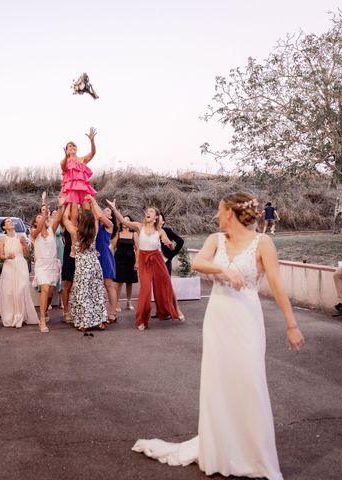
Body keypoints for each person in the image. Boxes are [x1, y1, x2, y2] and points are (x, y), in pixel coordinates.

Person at [132, 191, 304, 480]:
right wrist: (224, 270)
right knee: (219, 382)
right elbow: (199, 263)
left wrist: (291, 325)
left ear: (231, 213)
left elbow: (275, 284)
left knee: (249, 380)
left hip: (247, 319)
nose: (215, 215)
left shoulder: (263, 243)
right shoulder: (215, 240)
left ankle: (254, 455)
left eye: (219, 211)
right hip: (219, 317)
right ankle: (221, 450)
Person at [106, 200, 183, 330]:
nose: (148, 213)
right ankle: (142, 320)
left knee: (167, 285)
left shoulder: (160, 231)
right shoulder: (138, 226)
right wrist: (114, 209)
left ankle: (177, 310)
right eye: (147, 211)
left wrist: (169, 244)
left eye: (151, 211)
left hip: (157, 260)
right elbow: (123, 222)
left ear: (156, 217)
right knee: (145, 290)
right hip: (144, 260)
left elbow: (170, 246)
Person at [63, 203, 108, 332]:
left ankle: (84, 322)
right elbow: (98, 216)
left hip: (83, 267)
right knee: (97, 292)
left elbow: (65, 219)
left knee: (82, 294)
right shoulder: (94, 231)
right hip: (94, 265)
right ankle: (100, 321)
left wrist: (68, 203)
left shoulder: (76, 233)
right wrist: (92, 201)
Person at [0, 218, 39, 328]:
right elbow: (0, 256)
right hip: (8, 266)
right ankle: (10, 316)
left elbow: (26, 255)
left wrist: (24, 244)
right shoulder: (2, 239)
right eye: (8, 222)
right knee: (9, 292)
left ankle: (21, 316)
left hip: (21, 264)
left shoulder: (20, 237)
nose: (11, 223)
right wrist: (7, 257)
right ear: (4, 227)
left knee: (21, 289)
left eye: (11, 221)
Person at [30, 199, 65, 333]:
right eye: (38, 217)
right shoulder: (33, 233)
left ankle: (44, 312)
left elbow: (59, 218)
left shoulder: (52, 229)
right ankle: (42, 321)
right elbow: (39, 228)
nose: (41, 218)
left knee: (50, 292)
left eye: (42, 217)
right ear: (35, 222)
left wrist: (61, 205)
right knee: (44, 289)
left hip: (52, 264)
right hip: (41, 264)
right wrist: (44, 213)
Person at [91, 198, 119, 322]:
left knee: (108, 285)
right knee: (97, 286)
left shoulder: (109, 225)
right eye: (105, 209)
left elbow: (99, 214)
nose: (104, 211)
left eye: (107, 210)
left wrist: (92, 199)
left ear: (111, 217)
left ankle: (112, 312)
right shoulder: (97, 224)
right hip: (95, 256)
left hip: (105, 257)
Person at [59, 128, 97, 205]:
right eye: (70, 146)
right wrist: (66, 157)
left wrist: (92, 141)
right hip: (70, 191)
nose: (73, 147)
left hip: (82, 189)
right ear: (66, 150)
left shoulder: (82, 159)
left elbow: (93, 153)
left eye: (74, 146)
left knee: (87, 210)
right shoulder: (65, 161)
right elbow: (63, 167)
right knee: (72, 213)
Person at [112, 215, 139, 311]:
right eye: (124, 220)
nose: (125, 222)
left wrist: (137, 262)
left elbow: (137, 249)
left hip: (130, 260)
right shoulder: (117, 234)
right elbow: (112, 248)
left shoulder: (134, 234)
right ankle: (117, 303)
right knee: (118, 283)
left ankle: (128, 302)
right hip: (119, 260)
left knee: (129, 283)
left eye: (127, 220)